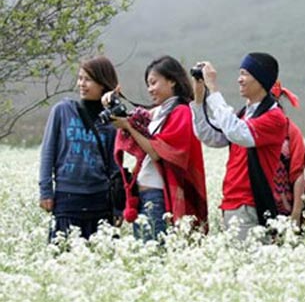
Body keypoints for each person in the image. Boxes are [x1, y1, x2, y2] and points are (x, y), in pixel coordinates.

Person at [106, 55, 208, 241]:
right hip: (144, 195)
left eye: (153, 83)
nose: (150, 89)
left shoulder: (181, 112)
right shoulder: (160, 111)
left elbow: (156, 151)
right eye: (148, 84)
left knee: (155, 254)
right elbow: (134, 120)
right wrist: (113, 104)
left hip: (159, 196)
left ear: (172, 81)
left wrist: (129, 126)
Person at [190, 52, 287, 241]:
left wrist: (214, 89)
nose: (239, 80)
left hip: (250, 205)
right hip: (232, 203)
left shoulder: (274, 118)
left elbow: (236, 132)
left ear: (261, 79)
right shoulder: (246, 114)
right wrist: (199, 97)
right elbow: (211, 137)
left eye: (244, 74)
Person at [39, 55, 119, 240]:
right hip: (67, 198)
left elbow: (114, 164)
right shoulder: (62, 110)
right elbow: (47, 153)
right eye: (80, 78)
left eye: (88, 79)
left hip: (100, 199)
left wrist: (118, 207)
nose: (81, 84)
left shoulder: (112, 122)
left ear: (103, 84)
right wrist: (46, 191)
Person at [271, 81, 305, 228]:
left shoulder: (290, 131)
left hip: (286, 203)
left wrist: (296, 213)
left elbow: (297, 172)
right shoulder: (248, 124)